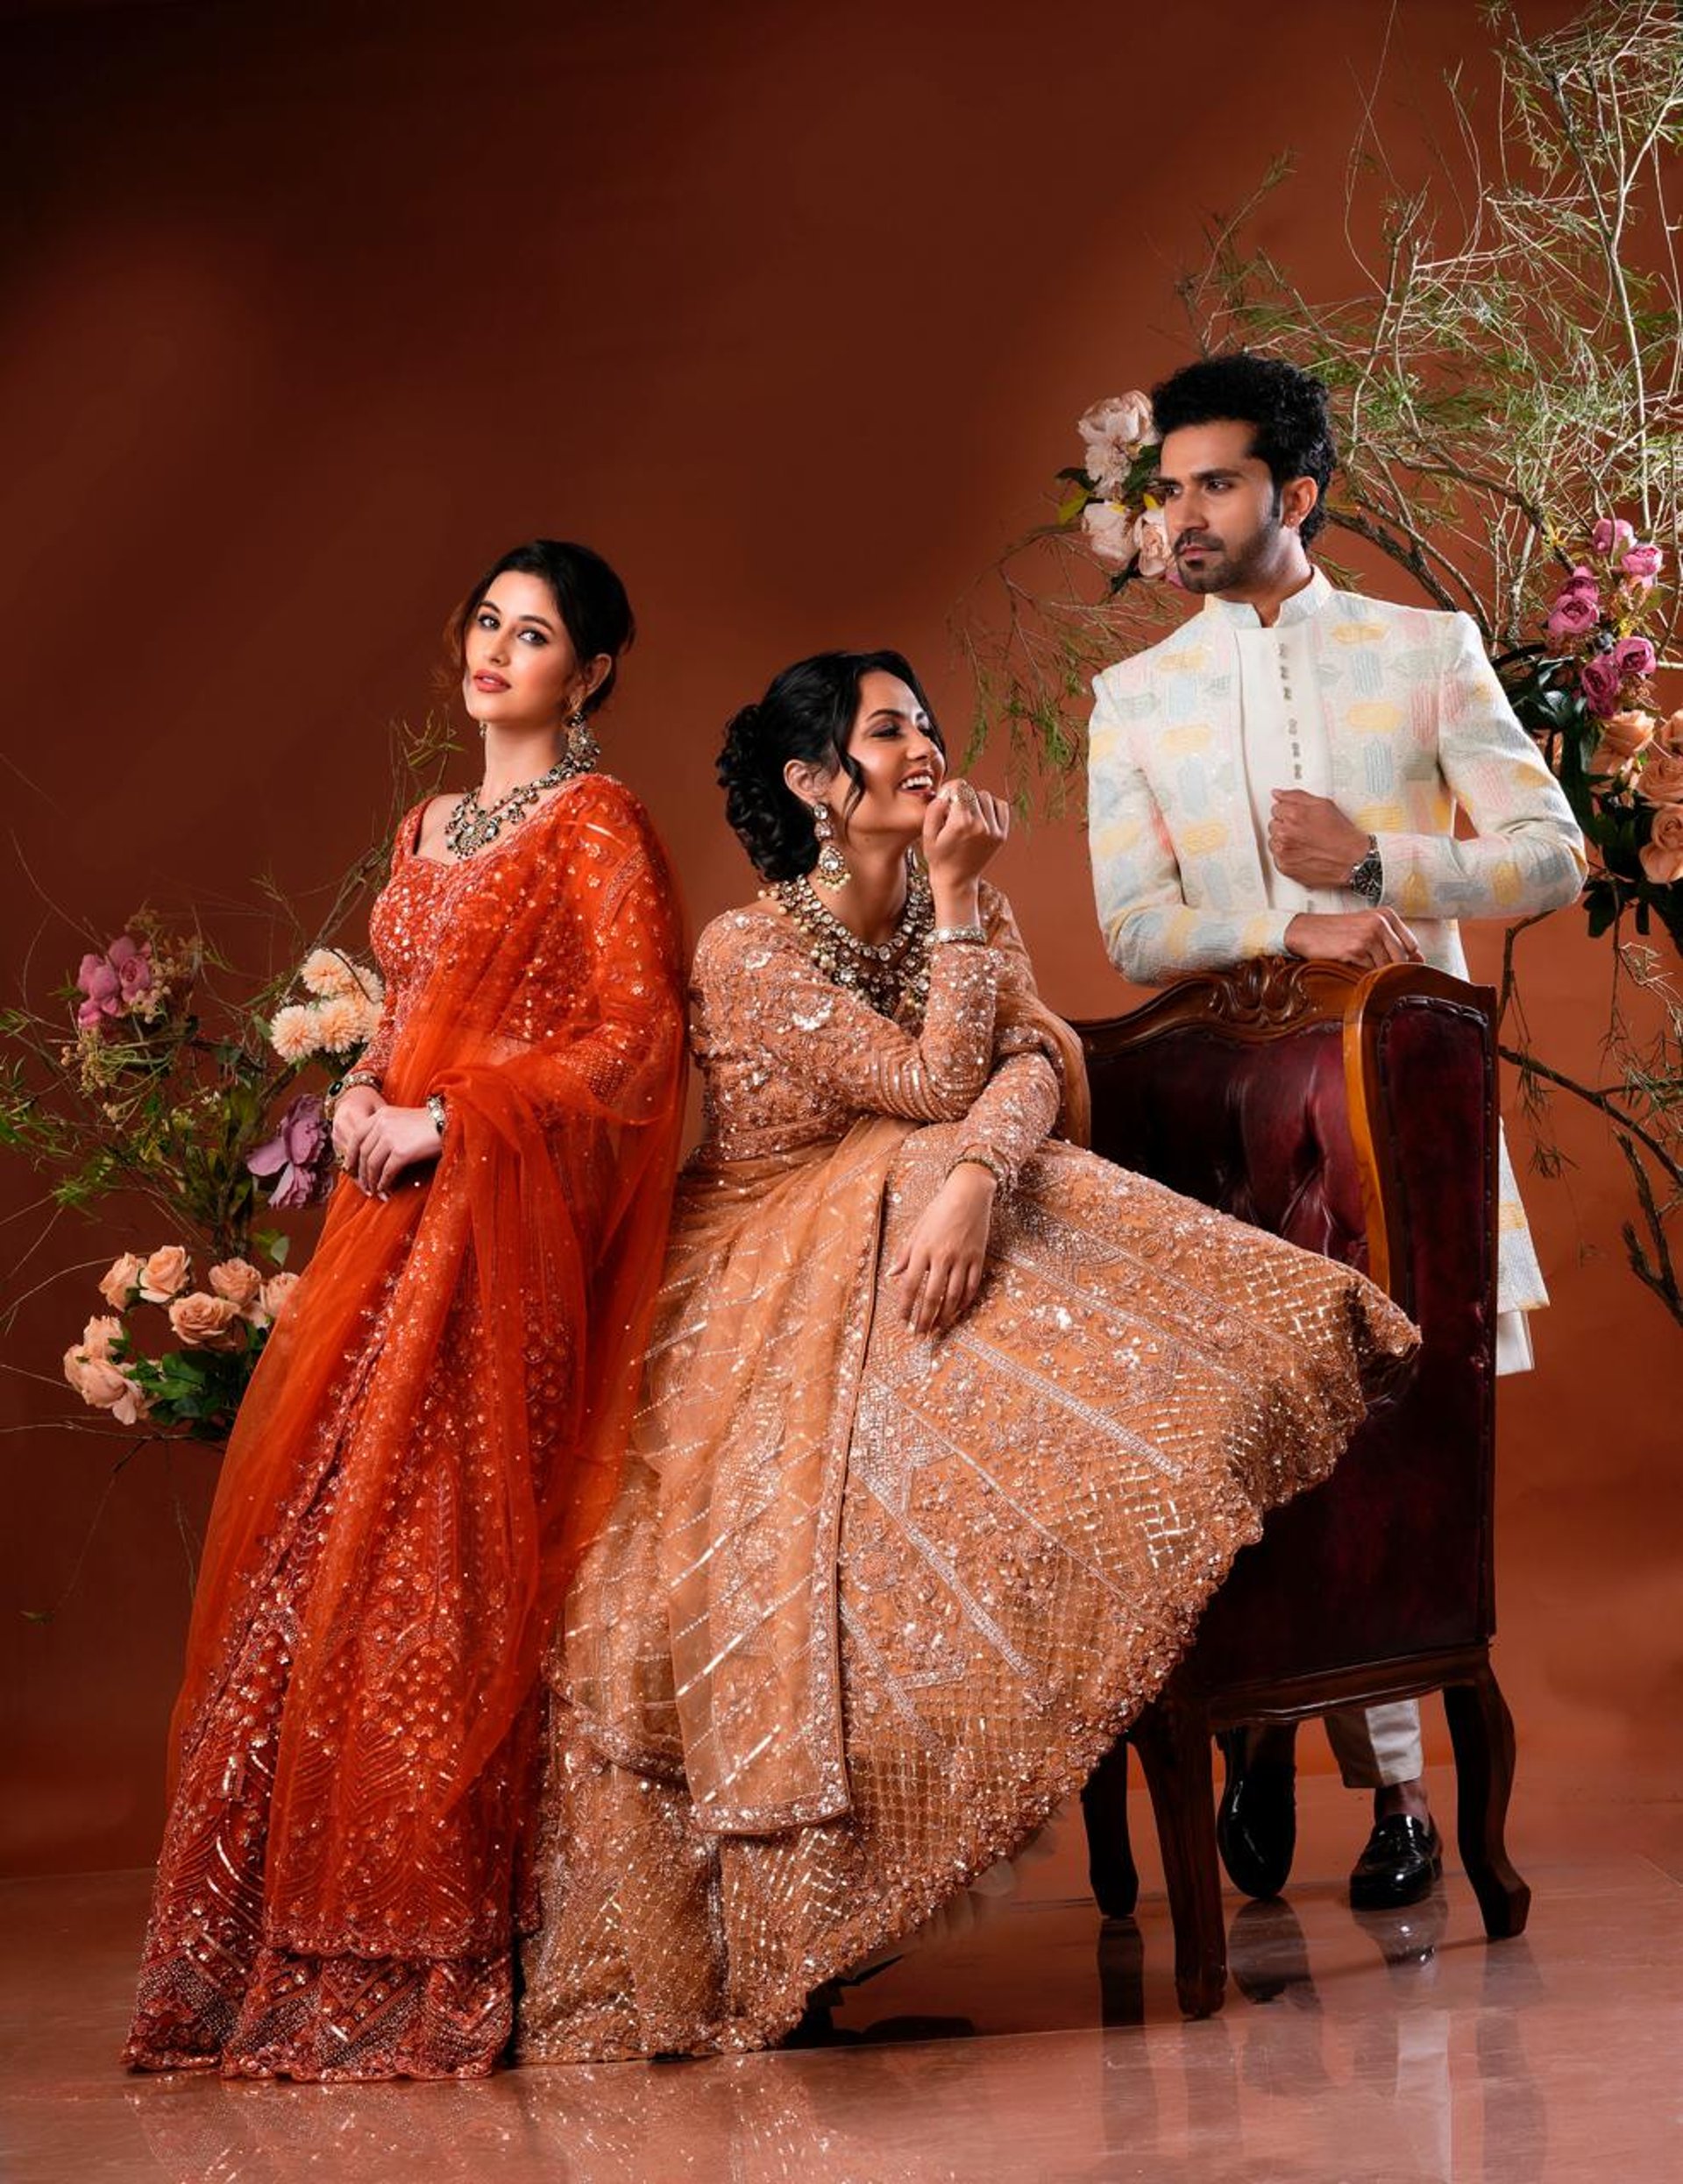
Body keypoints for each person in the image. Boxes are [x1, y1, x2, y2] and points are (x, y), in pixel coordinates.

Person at [518, 649, 1417, 2062]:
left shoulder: (976, 907)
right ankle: (793, 1916)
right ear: (817, 784)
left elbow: (1038, 1058)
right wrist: (957, 970)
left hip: (915, 1216)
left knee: (1003, 1195)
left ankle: (1245, 1367)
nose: (926, 747)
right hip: (760, 1261)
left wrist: (980, 1179)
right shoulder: (747, 953)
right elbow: (946, 1071)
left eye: (928, 720)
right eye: (889, 732)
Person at [124, 540, 688, 2081]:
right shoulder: (429, 825)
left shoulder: (599, 825)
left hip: (493, 1240)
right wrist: (372, 1087)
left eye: (537, 633)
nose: (497, 650)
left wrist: (455, 1120)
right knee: (314, 1555)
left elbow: (636, 1048)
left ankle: (410, 1953)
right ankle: (255, 1960)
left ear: (594, 673)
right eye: (489, 623)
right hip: (387, 1226)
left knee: (428, 1565)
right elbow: (405, 1016)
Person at [1086, 351, 1587, 1911]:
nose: (1182, 515)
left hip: (1399, 1123)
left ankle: (1402, 1803)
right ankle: (1256, 1747)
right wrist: (1288, 920)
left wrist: (1379, 863)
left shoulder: (1424, 652)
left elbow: (1553, 858)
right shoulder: (1136, 696)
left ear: (1295, 495)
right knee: (1257, 1452)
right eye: (1167, 489)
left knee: (1393, 1460)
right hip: (1224, 1141)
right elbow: (1131, 929)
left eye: (1214, 484)